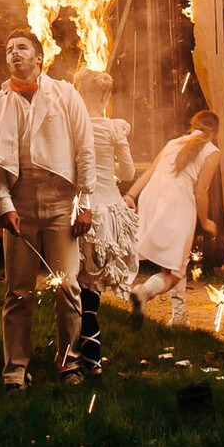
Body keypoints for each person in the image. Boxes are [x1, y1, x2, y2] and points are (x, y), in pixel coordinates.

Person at [0, 29, 96, 389]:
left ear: (39, 58)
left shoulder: (65, 95)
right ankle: (15, 368)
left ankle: (70, 364)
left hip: (62, 202)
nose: (14, 54)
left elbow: (85, 150)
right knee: (18, 291)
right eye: (9, 49)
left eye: (22, 48)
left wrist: (85, 203)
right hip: (21, 204)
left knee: (67, 288)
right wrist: (5, 205)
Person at [126, 110, 223, 325]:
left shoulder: (174, 143)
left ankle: (179, 318)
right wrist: (205, 222)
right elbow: (201, 191)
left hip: (151, 199)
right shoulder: (212, 151)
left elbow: (151, 169)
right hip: (177, 204)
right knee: (177, 270)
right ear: (215, 132)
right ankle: (143, 292)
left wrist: (131, 194)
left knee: (173, 259)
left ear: (192, 126)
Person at [71, 68, 138, 376]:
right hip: (107, 209)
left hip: (81, 207)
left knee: (80, 278)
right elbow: (127, 174)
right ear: (107, 97)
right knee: (93, 284)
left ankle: (86, 352)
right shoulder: (114, 130)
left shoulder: (72, 126)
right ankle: (92, 355)